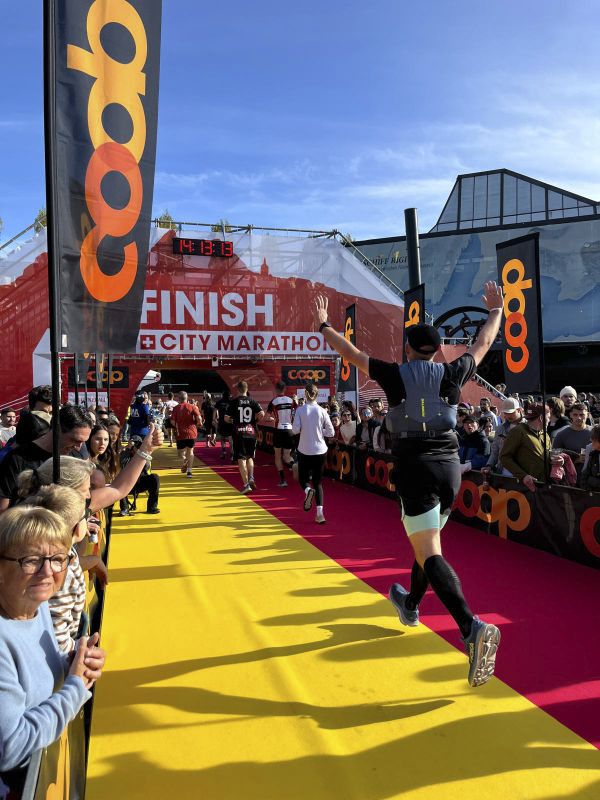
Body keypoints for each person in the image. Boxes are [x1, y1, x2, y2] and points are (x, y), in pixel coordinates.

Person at [313, 282, 504, 687]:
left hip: (414, 465)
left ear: (407, 350)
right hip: (451, 467)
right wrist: (495, 311)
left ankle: (470, 628)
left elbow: (349, 353)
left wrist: (324, 325)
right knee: (426, 546)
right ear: (437, 351)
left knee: (429, 549)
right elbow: (484, 342)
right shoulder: (455, 370)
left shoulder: (394, 374)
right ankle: (411, 603)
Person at [0, 505, 105, 775]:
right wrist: (76, 686)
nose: (47, 571)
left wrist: (73, 665)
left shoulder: (37, 605)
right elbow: (10, 747)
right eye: (31, 560)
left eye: (58, 558)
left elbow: (37, 679)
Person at [28, 484, 108, 653]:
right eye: (85, 517)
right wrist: (78, 654)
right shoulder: (59, 575)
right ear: (78, 527)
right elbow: (58, 636)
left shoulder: (64, 552)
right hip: (67, 647)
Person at [0, 405, 94, 513]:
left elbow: (84, 498)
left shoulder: (75, 458)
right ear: (57, 429)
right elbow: (3, 508)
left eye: (83, 441)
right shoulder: (17, 459)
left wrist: (82, 518)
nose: (79, 447)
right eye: (75, 440)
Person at [292, 382, 334, 524]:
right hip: (320, 450)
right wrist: (319, 431)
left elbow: (295, 430)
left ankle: (307, 491)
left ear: (305, 394)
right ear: (317, 395)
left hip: (304, 450)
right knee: (318, 483)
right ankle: (320, 515)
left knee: (303, 480)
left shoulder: (300, 410)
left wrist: (306, 429)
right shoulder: (323, 411)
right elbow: (331, 432)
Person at [500, 402, 560, 489]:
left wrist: (558, 461)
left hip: (545, 487)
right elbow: (504, 457)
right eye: (548, 417)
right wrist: (523, 476)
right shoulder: (518, 431)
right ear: (541, 417)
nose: (549, 420)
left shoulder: (545, 434)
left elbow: (548, 457)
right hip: (525, 489)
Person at [225, 382, 264, 494]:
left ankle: (246, 484)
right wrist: (254, 421)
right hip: (251, 432)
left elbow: (226, 418)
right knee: (250, 457)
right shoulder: (253, 401)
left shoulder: (234, 402)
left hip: (239, 433)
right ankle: (251, 477)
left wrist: (234, 421)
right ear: (247, 389)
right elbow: (261, 413)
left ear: (238, 389)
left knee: (240, 458)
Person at [118, 437, 160, 515]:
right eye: (136, 445)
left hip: (140, 481)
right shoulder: (125, 453)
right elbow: (122, 464)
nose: (137, 447)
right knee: (120, 479)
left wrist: (142, 454)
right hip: (127, 484)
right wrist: (128, 449)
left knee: (155, 477)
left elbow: (147, 467)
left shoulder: (143, 454)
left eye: (139, 445)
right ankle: (124, 508)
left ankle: (152, 507)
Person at [267, 381, 297, 487]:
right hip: (289, 430)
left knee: (278, 456)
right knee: (287, 456)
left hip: (279, 430)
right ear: (285, 389)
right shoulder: (291, 401)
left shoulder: (274, 401)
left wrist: (273, 419)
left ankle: (283, 480)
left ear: (276, 390)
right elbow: (297, 413)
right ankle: (295, 465)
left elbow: (267, 417)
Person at [552, 403, 592, 475]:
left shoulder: (595, 433)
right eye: (575, 415)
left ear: (588, 415)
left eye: (582, 415)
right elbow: (554, 458)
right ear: (570, 415)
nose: (579, 418)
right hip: (570, 478)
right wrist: (576, 459)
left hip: (592, 479)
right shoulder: (561, 435)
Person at [487, 396, 523, 473]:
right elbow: (495, 450)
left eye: (510, 412)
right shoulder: (500, 428)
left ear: (519, 410)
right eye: (505, 413)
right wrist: (489, 465)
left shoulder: (528, 426)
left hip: (522, 471)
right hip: (503, 470)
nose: (507, 415)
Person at [171, 391, 202, 478]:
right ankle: (189, 472)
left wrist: (177, 425)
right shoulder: (193, 407)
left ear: (179, 399)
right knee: (190, 451)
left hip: (180, 433)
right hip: (192, 432)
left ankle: (185, 460)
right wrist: (199, 423)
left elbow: (172, 421)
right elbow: (199, 418)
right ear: (187, 398)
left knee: (180, 453)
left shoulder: (176, 408)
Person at [580, 425, 600, 492]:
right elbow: (585, 475)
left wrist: (591, 480)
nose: (591, 443)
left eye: (594, 440)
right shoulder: (594, 454)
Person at [215, 389, 234, 461]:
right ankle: (232, 454)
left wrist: (214, 419)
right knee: (230, 439)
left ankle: (223, 452)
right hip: (230, 422)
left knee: (222, 438)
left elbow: (215, 411)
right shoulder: (232, 402)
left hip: (222, 423)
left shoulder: (219, 402)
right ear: (229, 395)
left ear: (223, 395)